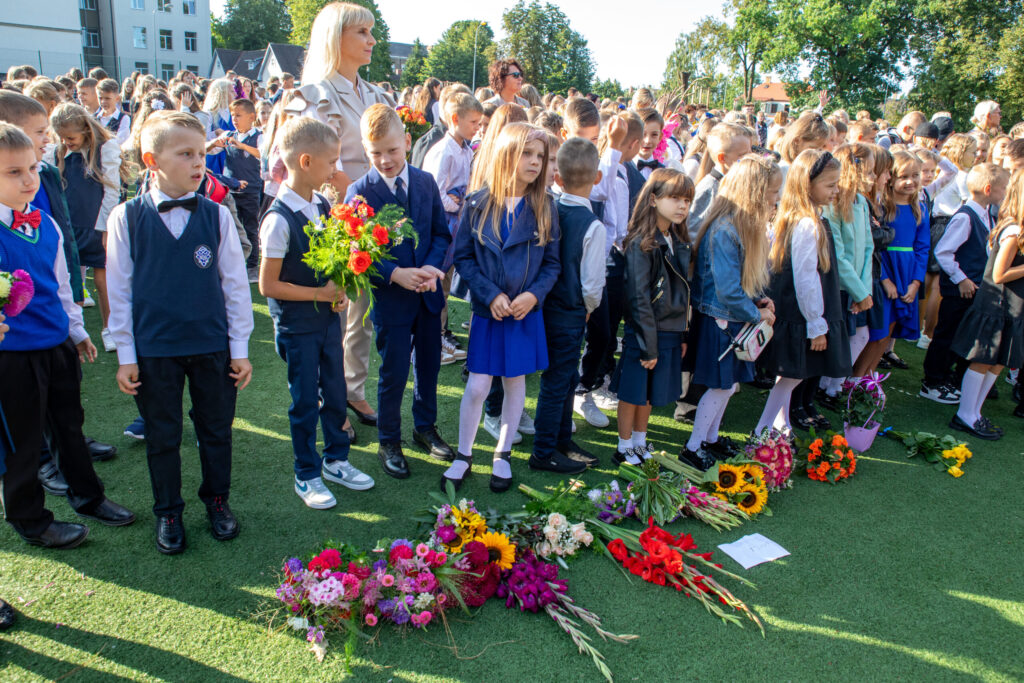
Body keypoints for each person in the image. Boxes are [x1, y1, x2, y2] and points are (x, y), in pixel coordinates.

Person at [106, 111, 254, 554]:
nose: (198, 163)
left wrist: (240, 348)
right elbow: (120, 289)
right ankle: (168, 510)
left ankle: (218, 501)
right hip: (155, 350)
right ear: (152, 160)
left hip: (211, 345)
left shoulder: (217, 215)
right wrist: (126, 355)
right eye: (185, 154)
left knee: (216, 429)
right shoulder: (125, 217)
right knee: (162, 434)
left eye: (201, 153)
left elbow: (234, 284)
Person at [0, 122, 135, 549]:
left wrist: (76, 331)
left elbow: (60, 285)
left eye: (32, 169)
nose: (28, 181)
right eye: (13, 172)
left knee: (68, 426)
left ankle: (88, 496)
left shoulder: (47, 225)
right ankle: (31, 519)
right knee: (23, 442)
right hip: (13, 356)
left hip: (55, 344)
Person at [284, 1, 395, 429]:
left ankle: (350, 389)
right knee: (332, 313)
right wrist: (357, 198)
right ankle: (328, 396)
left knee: (360, 314)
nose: (371, 40)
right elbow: (309, 163)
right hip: (330, 218)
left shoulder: (376, 94)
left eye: (371, 31)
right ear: (337, 38)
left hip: (370, 220)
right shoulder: (313, 95)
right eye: (362, 32)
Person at [258, 117, 374, 509]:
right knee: (305, 399)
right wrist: (320, 293)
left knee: (336, 391)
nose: (336, 171)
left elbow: (329, 265)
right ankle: (306, 473)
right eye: (331, 163)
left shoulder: (322, 204)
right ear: (305, 162)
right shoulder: (277, 219)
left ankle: (336, 460)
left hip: (326, 320)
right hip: (296, 326)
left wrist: (338, 294)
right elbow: (267, 285)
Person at [447, 123, 560, 493]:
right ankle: (464, 455)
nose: (535, 162)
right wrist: (490, 294)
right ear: (506, 155)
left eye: (540, 156)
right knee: (478, 386)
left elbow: (553, 264)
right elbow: (463, 256)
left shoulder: (545, 206)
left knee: (515, 383)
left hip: (525, 313)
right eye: (527, 154)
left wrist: (534, 296)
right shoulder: (478, 202)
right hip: (489, 312)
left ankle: (502, 454)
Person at [347, 104, 455, 479]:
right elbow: (356, 252)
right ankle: (388, 439)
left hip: (428, 297)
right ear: (365, 149)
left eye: (392, 150)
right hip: (391, 302)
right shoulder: (359, 193)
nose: (385, 159)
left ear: (407, 142)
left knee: (428, 367)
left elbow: (441, 233)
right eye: (375, 152)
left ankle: (424, 427)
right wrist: (395, 273)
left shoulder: (425, 182)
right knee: (393, 372)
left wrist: (432, 269)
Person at [684, 155, 781, 468]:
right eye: (771, 191)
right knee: (721, 385)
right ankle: (693, 446)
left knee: (729, 386)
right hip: (721, 319)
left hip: (733, 317)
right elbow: (726, 290)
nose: (775, 198)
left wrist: (759, 301)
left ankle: (710, 439)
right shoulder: (726, 230)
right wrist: (757, 314)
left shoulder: (740, 225)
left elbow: (742, 282)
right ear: (753, 191)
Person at [755, 150, 849, 433]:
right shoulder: (806, 223)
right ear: (807, 184)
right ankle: (763, 429)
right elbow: (806, 278)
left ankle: (779, 426)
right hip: (801, 313)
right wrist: (816, 324)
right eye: (830, 185)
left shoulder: (801, 217)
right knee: (790, 377)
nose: (835, 191)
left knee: (790, 376)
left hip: (800, 312)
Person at [529, 138, 606, 475]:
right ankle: (543, 451)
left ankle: (561, 440)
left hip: (543, 306)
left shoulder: (548, 208)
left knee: (562, 376)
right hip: (570, 311)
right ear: (598, 177)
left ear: (556, 176)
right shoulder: (593, 225)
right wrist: (589, 307)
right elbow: (592, 285)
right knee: (558, 380)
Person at [611, 168, 693, 464]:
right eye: (675, 198)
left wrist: (682, 334)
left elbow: (683, 294)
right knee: (633, 392)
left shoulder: (677, 239)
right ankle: (623, 447)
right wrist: (648, 343)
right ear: (654, 199)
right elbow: (638, 298)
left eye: (687, 199)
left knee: (649, 393)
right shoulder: (642, 243)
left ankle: (639, 442)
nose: (682, 205)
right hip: (646, 332)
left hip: (668, 330)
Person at [920, 163, 1008, 404]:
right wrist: (962, 279)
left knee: (961, 336)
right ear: (989, 189)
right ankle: (932, 380)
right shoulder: (965, 216)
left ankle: (947, 376)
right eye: (1003, 188)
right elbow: (944, 252)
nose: (1006, 193)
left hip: (974, 291)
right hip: (960, 290)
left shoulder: (985, 214)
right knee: (946, 335)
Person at [950, 169, 1022, 438]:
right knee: (983, 359)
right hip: (997, 305)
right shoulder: (1013, 230)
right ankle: (965, 414)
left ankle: (975, 412)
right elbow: (1000, 273)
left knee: (998, 361)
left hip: (1013, 307)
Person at [49, 103, 127, 353]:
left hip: (96, 224)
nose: (66, 142)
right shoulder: (58, 152)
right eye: (61, 137)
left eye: (70, 137)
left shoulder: (105, 148)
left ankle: (110, 328)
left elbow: (112, 190)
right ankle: (75, 330)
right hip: (69, 224)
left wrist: (105, 228)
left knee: (104, 280)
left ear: (85, 129)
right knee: (70, 279)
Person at [421, 92, 483, 364]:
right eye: (473, 122)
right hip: (443, 225)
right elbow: (435, 191)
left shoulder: (465, 149)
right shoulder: (444, 150)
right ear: (454, 119)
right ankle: (432, 337)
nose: (477, 128)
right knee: (437, 282)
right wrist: (457, 204)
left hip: (456, 223)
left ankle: (440, 334)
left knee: (444, 284)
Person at [859, 151, 931, 373]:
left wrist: (916, 282)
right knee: (876, 330)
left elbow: (922, 247)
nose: (911, 181)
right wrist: (885, 280)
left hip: (907, 272)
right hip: (885, 268)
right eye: (903, 176)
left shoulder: (921, 209)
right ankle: (854, 376)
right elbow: (873, 248)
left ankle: (868, 376)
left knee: (888, 331)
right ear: (891, 178)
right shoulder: (881, 207)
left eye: (915, 175)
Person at [819, 143, 875, 405]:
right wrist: (857, 289)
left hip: (855, 287)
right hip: (837, 285)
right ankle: (826, 386)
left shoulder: (861, 202)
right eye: (870, 172)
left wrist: (863, 291)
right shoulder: (834, 204)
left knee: (859, 335)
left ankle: (835, 385)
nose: (873, 179)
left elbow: (867, 247)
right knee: (836, 339)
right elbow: (837, 254)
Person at [221, 98, 263, 283]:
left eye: (239, 115)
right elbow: (207, 150)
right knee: (228, 228)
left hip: (251, 190)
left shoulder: (258, 137)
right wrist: (214, 143)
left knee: (251, 229)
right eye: (232, 115)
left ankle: (253, 266)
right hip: (229, 191)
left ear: (252, 117)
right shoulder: (228, 135)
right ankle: (231, 264)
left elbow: (263, 154)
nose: (235, 119)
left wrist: (243, 146)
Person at [689, 122, 752, 239]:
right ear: (722, 158)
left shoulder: (734, 183)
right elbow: (694, 233)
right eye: (743, 155)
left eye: (750, 152)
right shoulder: (709, 189)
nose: (750, 159)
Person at [202, 78, 236, 175]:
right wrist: (216, 133)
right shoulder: (209, 114)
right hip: (214, 158)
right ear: (223, 93)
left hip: (231, 159)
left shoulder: (233, 113)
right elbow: (203, 139)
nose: (235, 95)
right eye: (232, 91)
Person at [95, 78, 130, 146]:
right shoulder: (94, 118)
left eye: (107, 98)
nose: (103, 101)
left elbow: (120, 141)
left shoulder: (123, 119)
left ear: (117, 98)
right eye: (100, 98)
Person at [633, 108, 665, 180]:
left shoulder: (664, 172)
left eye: (654, 135)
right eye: (643, 134)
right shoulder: (624, 169)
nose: (648, 141)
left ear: (660, 137)